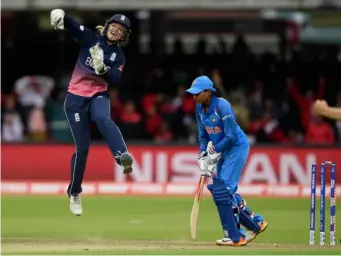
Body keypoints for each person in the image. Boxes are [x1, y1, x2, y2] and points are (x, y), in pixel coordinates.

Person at [50, 9, 133, 216]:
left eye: (121, 30)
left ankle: (121, 155)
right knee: (83, 149)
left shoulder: (119, 55)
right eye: (114, 26)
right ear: (107, 26)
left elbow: (115, 80)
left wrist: (103, 69)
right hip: (76, 99)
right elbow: (72, 25)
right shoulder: (90, 38)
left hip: (98, 94)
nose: (116, 30)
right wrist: (60, 15)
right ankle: (74, 191)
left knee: (103, 118)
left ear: (124, 36)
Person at [186, 76, 268, 246]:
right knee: (223, 191)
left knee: (224, 191)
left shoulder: (222, 106)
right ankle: (256, 223)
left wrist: (214, 150)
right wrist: (202, 154)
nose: (193, 97)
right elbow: (202, 134)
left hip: (236, 147)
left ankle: (236, 236)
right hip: (222, 149)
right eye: (192, 94)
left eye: (197, 93)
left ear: (208, 92)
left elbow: (230, 136)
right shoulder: (199, 108)